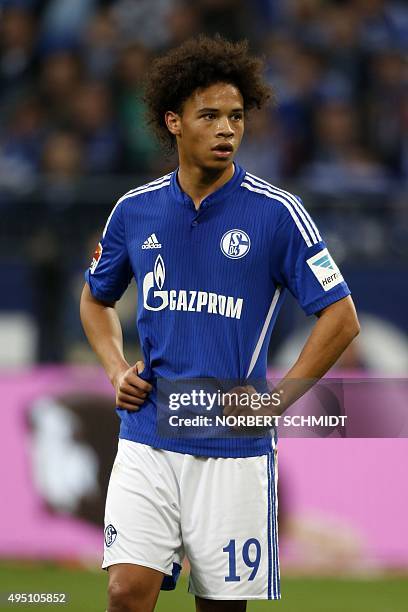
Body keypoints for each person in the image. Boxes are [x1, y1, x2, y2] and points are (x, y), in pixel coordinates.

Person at [80, 35, 360, 612]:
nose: (227, 129)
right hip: (148, 435)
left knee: (220, 606)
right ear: (173, 122)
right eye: (209, 115)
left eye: (236, 116)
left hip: (233, 447)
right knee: (126, 594)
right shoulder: (135, 210)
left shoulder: (277, 213)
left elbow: (341, 316)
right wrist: (114, 370)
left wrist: (277, 400)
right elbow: (95, 298)